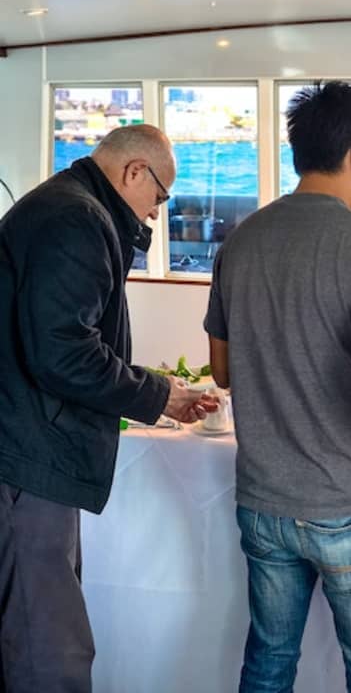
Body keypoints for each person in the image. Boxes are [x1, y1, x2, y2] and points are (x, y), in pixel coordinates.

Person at [204, 81, 351, 693]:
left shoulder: (240, 242)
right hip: (350, 503)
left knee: (269, 661)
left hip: (264, 503)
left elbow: (223, 372)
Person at [0, 124, 217, 693]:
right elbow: (63, 353)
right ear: (133, 171)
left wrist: (149, 386)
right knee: (47, 644)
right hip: (29, 458)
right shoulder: (77, 218)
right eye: (160, 196)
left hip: (26, 449)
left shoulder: (64, 205)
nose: (156, 212)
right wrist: (158, 394)